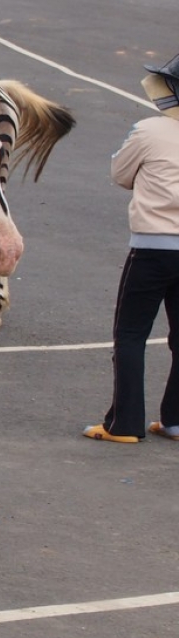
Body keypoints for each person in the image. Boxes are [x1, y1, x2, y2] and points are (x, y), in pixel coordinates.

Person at [83, 52, 179, 444]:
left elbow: (120, 173)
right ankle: (174, 420)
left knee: (131, 333)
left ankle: (124, 423)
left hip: (152, 245)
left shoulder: (150, 130)